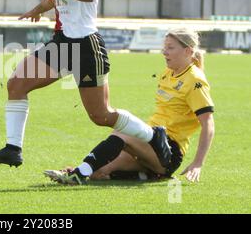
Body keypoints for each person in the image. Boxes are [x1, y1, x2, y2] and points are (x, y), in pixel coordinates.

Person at [0, 0, 172, 168]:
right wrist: (36, 10)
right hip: (62, 44)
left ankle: (153, 135)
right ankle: (13, 149)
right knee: (16, 84)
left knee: (101, 116)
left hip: (86, 47)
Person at [44, 29, 215, 184]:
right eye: (165, 47)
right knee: (98, 173)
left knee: (123, 130)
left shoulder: (195, 81)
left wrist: (197, 163)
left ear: (188, 51)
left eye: (170, 48)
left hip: (169, 150)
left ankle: (78, 174)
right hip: (149, 142)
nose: (164, 52)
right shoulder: (166, 73)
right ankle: (146, 175)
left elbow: (208, 124)